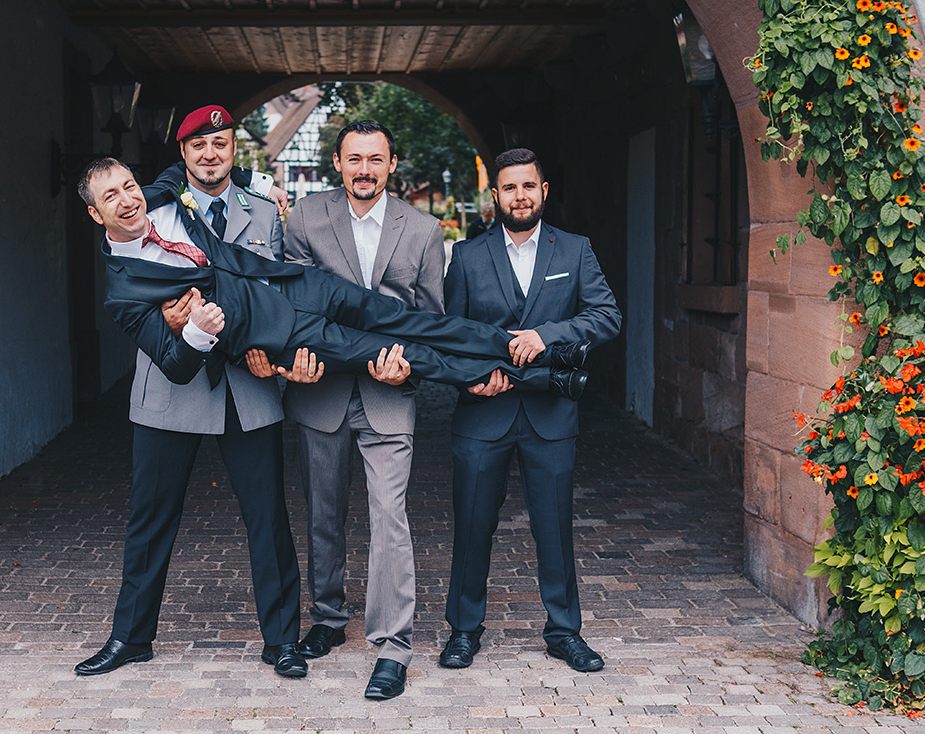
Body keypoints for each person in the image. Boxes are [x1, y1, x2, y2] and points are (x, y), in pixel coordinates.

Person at [73, 105, 308, 680]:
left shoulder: (264, 211)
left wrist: (273, 352)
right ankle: (130, 637)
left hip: (247, 385)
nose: (209, 153)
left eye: (220, 143)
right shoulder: (156, 202)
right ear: (181, 156)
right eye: (198, 145)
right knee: (150, 518)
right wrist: (171, 321)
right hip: (168, 385)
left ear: (234, 149)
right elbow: (133, 283)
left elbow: (275, 290)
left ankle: (283, 640)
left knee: (268, 517)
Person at [86, 158, 589, 397]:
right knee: (401, 353)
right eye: (111, 196)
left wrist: (261, 183)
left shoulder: (164, 192)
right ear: (95, 214)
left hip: (301, 284)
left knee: (415, 322)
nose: (127, 200)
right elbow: (174, 367)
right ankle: (544, 378)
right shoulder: (123, 293)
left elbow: (205, 166)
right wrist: (195, 332)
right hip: (282, 337)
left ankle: (537, 349)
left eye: (128, 185)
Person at [438, 147, 621, 674]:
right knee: (472, 526)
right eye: (509, 188)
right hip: (482, 414)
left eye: (528, 186)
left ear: (543, 190)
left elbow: (606, 315)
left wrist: (547, 335)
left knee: (554, 528)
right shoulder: (467, 256)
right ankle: (464, 630)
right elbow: (449, 334)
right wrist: (473, 377)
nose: (519, 196)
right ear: (494, 195)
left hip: (551, 414)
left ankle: (564, 633)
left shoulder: (575, 250)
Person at [280, 120, 434, 701]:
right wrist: (291, 362)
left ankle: (393, 646)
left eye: (375, 159)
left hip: (388, 396)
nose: (364, 169)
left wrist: (409, 368)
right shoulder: (305, 219)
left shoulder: (422, 229)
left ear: (392, 164)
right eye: (354, 158)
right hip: (320, 388)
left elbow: (431, 322)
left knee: (389, 517)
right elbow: (292, 305)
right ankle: (327, 616)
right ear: (338, 164)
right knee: (323, 511)